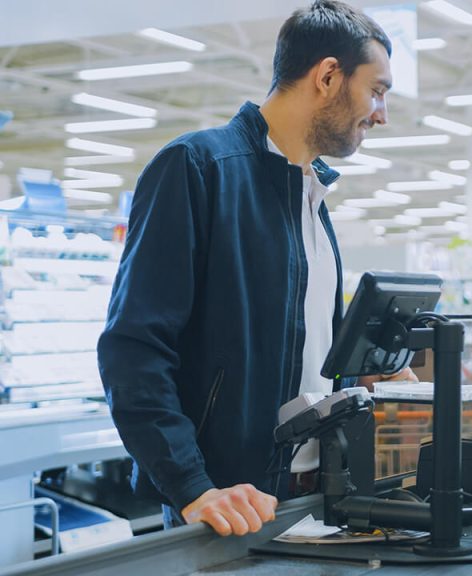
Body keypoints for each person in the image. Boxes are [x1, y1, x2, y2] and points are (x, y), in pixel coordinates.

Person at [98, 0, 405, 537]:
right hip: (226, 508)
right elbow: (133, 349)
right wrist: (193, 487)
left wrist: (361, 380)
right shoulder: (198, 169)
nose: (381, 113)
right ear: (329, 76)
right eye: (376, 90)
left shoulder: (311, 196)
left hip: (314, 498)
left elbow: (294, 355)